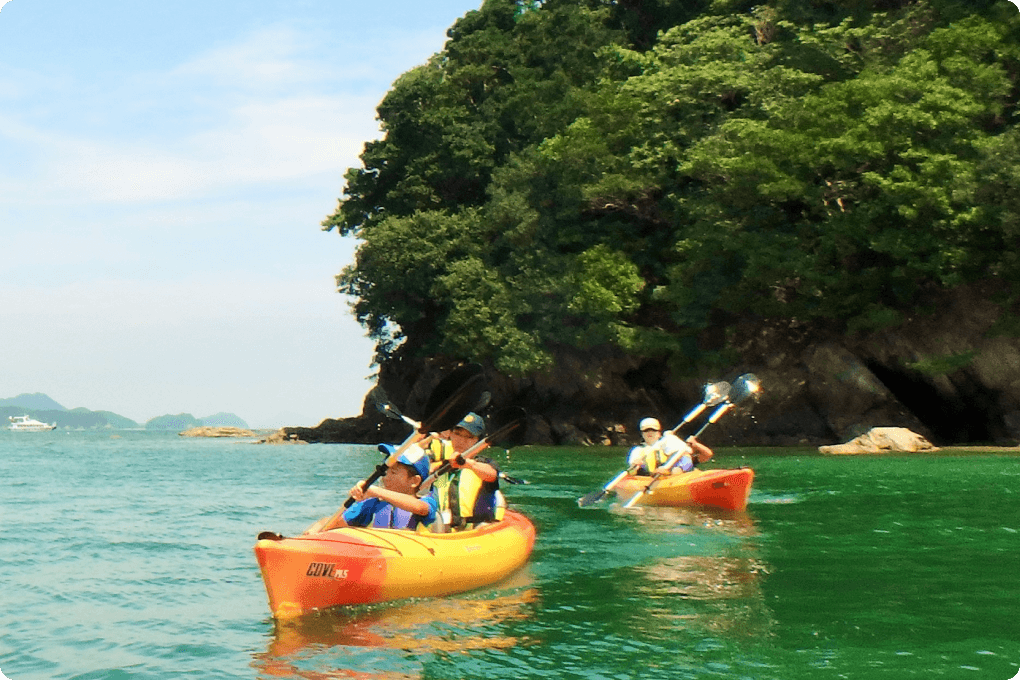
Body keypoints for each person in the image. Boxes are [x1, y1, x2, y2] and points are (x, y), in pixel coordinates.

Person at [332, 447, 439, 530]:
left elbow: (420, 508)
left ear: (414, 481)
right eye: (385, 472)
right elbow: (339, 522)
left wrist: (375, 491)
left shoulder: (427, 501)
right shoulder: (373, 504)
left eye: (393, 472)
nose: (385, 477)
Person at [429, 412, 504, 530]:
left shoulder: (485, 464)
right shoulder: (441, 466)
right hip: (443, 529)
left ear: (478, 441)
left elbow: (492, 475)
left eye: (469, 437)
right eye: (457, 434)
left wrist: (468, 464)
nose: (461, 440)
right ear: (451, 435)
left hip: (474, 531)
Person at [627, 417, 714, 476]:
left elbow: (707, 455)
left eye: (653, 430)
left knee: (685, 456)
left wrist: (696, 444)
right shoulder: (638, 451)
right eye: (646, 430)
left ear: (659, 433)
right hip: (651, 479)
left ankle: (676, 473)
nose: (650, 432)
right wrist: (635, 465)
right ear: (642, 434)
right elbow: (631, 472)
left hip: (675, 476)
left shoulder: (670, 446)